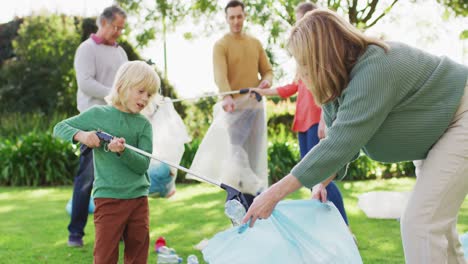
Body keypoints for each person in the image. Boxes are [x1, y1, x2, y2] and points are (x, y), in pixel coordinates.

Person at [243, 8, 468, 264]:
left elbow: (341, 144)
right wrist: (321, 183)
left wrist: (271, 195)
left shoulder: (375, 66)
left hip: (460, 117)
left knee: (421, 223)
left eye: (302, 61)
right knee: (438, 231)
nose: (299, 70)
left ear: (321, 56)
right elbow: (336, 144)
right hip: (438, 133)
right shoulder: (336, 90)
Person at [250, 2, 350, 226]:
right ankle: (327, 226)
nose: (297, 25)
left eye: (301, 20)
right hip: (303, 122)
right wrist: (264, 92)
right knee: (311, 179)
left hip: (317, 120)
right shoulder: (303, 59)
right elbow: (291, 88)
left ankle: (343, 226)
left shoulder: (322, 55)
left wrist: (326, 117)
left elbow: (333, 89)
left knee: (322, 176)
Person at [54, 61, 160, 263]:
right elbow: (59, 128)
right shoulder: (98, 114)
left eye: (150, 94)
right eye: (141, 91)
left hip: (138, 200)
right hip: (108, 200)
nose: (145, 98)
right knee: (104, 257)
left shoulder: (144, 125)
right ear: (122, 86)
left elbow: (142, 165)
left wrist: (123, 152)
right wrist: (83, 136)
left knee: (138, 257)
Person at [68, 5, 128, 247]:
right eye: (115, 27)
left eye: (121, 28)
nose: (118, 32)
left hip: (117, 121)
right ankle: (75, 234)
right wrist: (114, 94)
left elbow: (127, 81)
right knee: (86, 179)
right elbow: (86, 84)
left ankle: (122, 233)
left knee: (121, 181)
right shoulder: (87, 49)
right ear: (102, 23)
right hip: (93, 124)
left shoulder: (121, 53)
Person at [211, 0, 273, 204]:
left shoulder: (254, 43)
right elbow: (221, 76)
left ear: (245, 16)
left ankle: (256, 203)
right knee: (236, 158)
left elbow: (268, 70)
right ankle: (237, 205)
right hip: (234, 110)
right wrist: (226, 95)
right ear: (227, 19)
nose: (236, 21)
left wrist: (266, 82)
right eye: (232, 17)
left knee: (254, 159)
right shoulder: (221, 45)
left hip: (255, 108)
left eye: (239, 16)